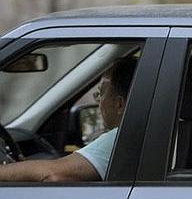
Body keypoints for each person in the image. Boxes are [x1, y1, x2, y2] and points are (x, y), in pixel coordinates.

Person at [0, 58, 137, 182]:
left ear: (119, 104)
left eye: (100, 94)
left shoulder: (121, 138)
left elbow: (53, 175)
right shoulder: (141, 134)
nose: (98, 101)